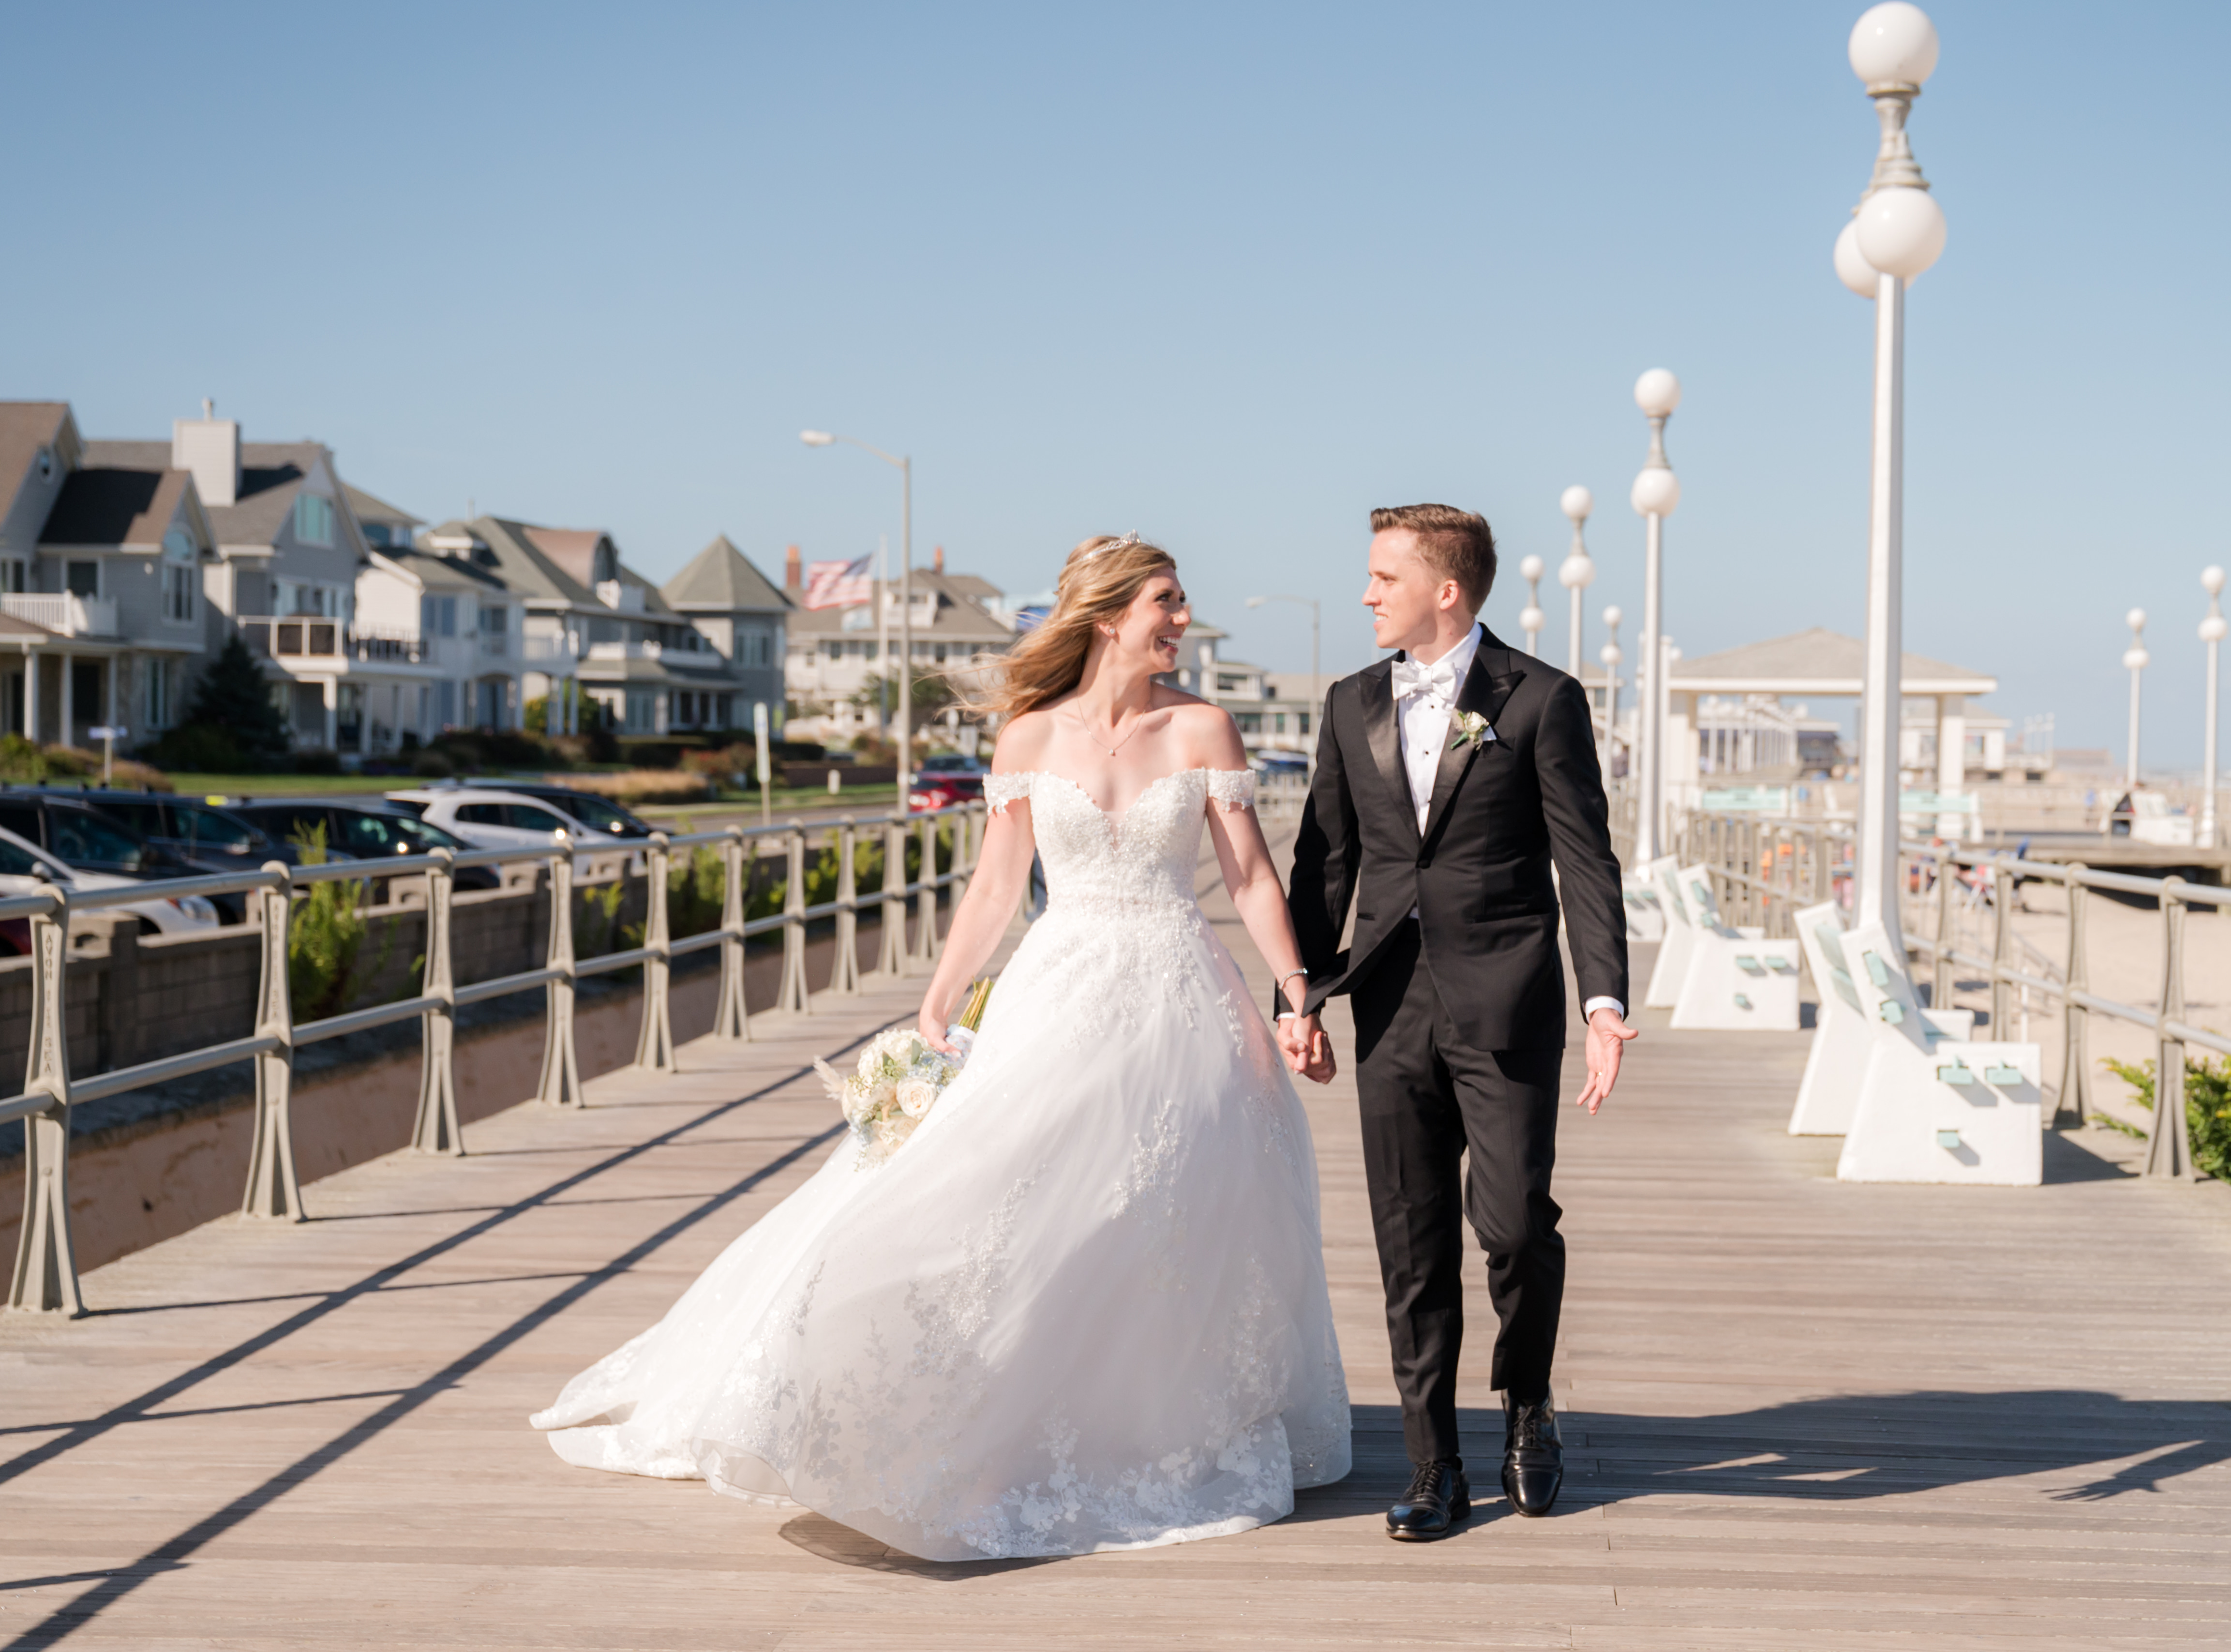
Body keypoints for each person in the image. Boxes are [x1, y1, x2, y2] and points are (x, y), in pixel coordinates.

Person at [531, 534, 1351, 1560]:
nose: (1182, 621)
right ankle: (964, 1404)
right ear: (1107, 618)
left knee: (1157, 1206)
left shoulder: (1204, 730)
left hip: (1180, 994)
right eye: (1167, 603)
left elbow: (1250, 882)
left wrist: (1294, 995)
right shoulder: (1026, 738)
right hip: (1060, 986)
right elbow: (997, 887)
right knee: (1007, 1189)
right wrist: (941, 997)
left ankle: (1138, 1414)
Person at [1281, 504, 1633, 1543]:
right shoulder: (1349, 705)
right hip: (1387, 1005)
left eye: (1383, 576)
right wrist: (1295, 994)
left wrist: (1602, 1000)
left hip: (1506, 997)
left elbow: (1585, 860)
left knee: (1516, 1223)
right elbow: (1324, 863)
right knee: (1411, 1244)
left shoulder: (1540, 700)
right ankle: (1434, 1468)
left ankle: (1526, 1403)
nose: (1365, 593)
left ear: (1446, 589)